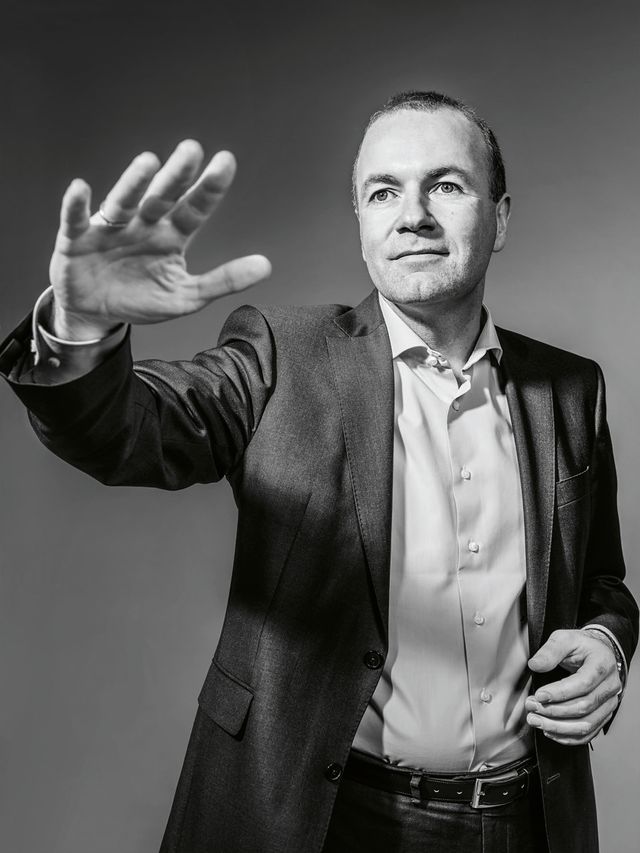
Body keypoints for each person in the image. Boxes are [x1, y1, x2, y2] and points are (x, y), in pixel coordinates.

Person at [0, 91, 637, 853]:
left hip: (523, 821)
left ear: (499, 218)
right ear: (361, 221)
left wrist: (607, 640)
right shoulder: (282, 355)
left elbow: (600, 579)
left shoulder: (569, 388)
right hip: (318, 817)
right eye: (384, 192)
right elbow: (125, 433)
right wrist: (81, 327)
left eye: (445, 185)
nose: (413, 216)